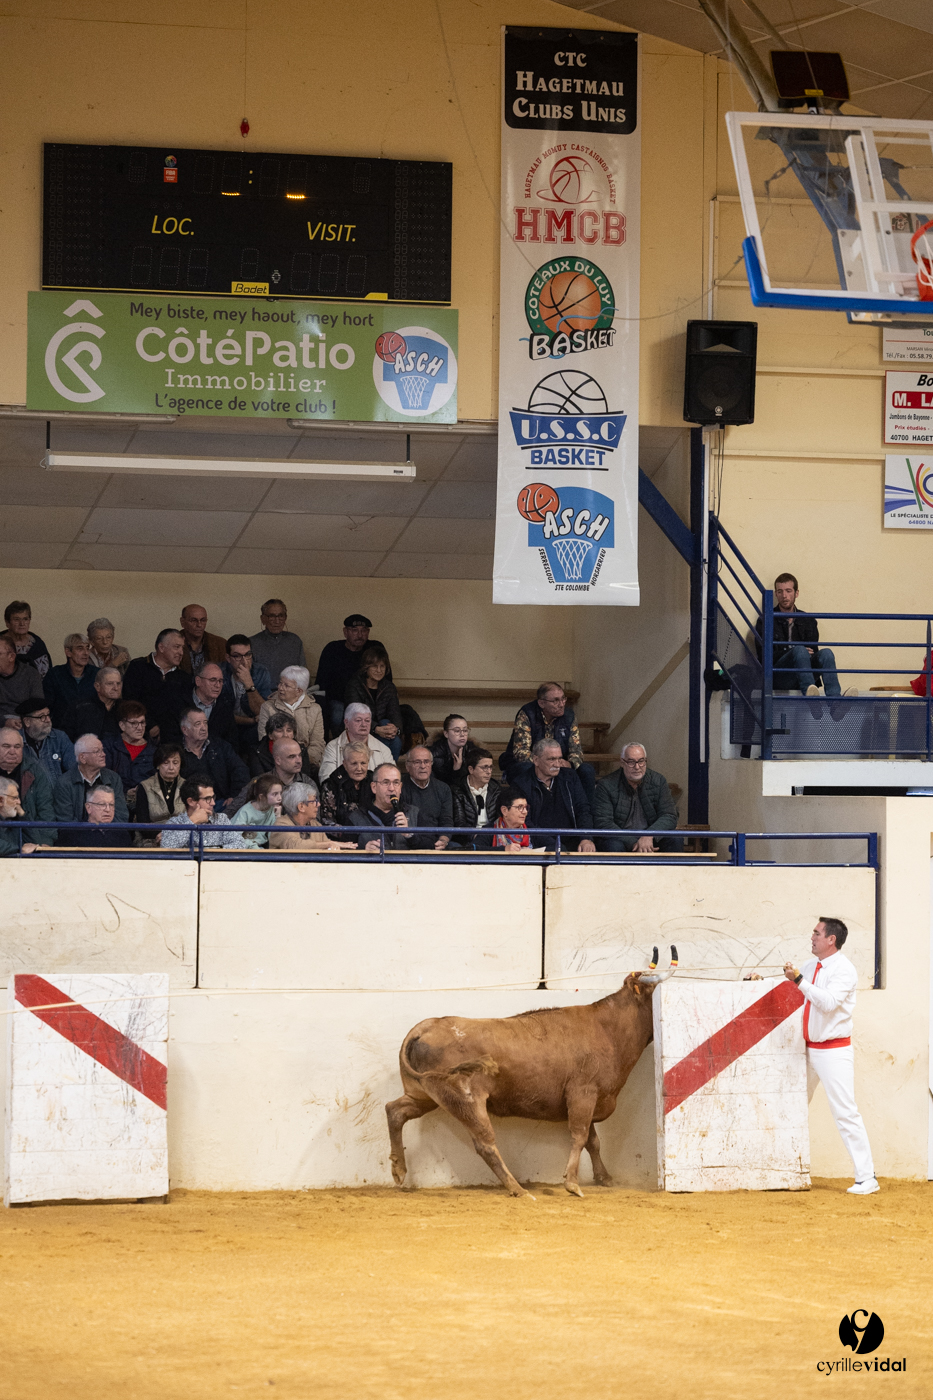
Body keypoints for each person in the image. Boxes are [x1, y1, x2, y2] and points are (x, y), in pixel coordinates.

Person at [782, 918, 879, 1196]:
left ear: (831, 939)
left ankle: (867, 1177)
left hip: (834, 1051)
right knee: (793, 1106)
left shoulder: (845, 970)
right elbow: (793, 989)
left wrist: (798, 979)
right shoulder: (811, 965)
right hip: (809, 1049)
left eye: (816, 933)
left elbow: (827, 1003)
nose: (811, 936)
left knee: (845, 1112)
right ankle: (787, 1169)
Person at [500, 681, 596, 805]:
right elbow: (521, 752)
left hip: (560, 764)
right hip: (534, 764)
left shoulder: (569, 715)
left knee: (586, 770)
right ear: (541, 703)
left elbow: (576, 749)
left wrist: (570, 763)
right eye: (555, 701)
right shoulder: (527, 713)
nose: (561, 704)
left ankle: (587, 816)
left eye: (563, 699)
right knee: (524, 768)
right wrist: (545, 763)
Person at [755, 572, 843, 699]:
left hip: (805, 674)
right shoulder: (765, 620)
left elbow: (814, 652)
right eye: (780, 591)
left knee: (827, 653)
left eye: (788, 591)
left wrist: (800, 653)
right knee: (800, 650)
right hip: (780, 676)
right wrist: (793, 652)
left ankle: (835, 700)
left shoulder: (808, 620)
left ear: (796, 593)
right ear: (776, 594)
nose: (784, 596)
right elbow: (763, 656)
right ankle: (810, 698)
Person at [592, 742, 679, 853]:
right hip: (621, 839)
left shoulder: (658, 781)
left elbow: (669, 815)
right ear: (622, 762)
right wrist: (634, 843)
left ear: (646, 761)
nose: (637, 767)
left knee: (675, 840)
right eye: (631, 762)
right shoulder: (606, 784)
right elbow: (603, 822)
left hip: (650, 838)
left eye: (641, 761)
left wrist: (649, 836)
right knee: (613, 846)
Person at [510, 740, 595, 852]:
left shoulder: (570, 777)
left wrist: (586, 838)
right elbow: (526, 822)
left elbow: (583, 809)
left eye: (559, 759)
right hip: (539, 843)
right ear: (536, 760)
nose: (557, 764)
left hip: (572, 840)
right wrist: (555, 845)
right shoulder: (521, 784)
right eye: (551, 759)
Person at [315, 613, 384, 737]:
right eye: (354, 630)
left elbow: (386, 679)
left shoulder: (374, 648)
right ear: (345, 632)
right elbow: (321, 683)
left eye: (364, 631)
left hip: (367, 699)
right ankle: (342, 746)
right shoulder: (332, 649)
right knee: (337, 716)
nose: (360, 635)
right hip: (339, 700)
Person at [123, 629, 190, 742]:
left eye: (182, 648)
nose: (181, 652)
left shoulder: (184, 677)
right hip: (140, 734)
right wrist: (149, 725)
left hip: (173, 739)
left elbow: (184, 710)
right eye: (176, 647)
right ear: (161, 647)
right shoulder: (138, 667)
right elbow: (129, 701)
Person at [178, 707, 248, 810]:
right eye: (198, 724)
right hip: (190, 806)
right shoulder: (177, 752)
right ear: (185, 730)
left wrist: (234, 796)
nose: (203, 728)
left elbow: (240, 770)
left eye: (205, 723)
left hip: (221, 803)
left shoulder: (220, 746)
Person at [257, 665, 324, 769]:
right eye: (280, 683)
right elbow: (264, 739)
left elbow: (317, 743)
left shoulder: (315, 709)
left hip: (307, 763)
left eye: (286, 685)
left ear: (299, 691)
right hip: (275, 764)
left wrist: (301, 761)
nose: (280, 687)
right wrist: (285, 762)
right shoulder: (267, 707)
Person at [53, 733, 128, 824]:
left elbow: (121, 815)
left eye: (102, 750)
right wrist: (90, 834)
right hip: (77, 836)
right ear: (82, 758)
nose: (103, 754)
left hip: (108, 834)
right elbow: (66, 820)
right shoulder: (64, 783)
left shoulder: (113, 778)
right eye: (97, 751)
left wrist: (102, 832)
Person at [344, 645, 403, 760]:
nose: (379, 670)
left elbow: (395, 713)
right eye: (375, 666)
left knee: (395, 740)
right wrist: (376, 728)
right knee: (383, 740)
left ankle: (390, 772)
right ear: (366, 667)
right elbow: (355, 715)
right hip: (363, 729)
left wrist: (395, 729)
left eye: (382, 666)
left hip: (383, 729)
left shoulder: (389, 687)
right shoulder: (354, 685)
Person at [160, 778, 252, 850]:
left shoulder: (221, 820)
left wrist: (212, 850)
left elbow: (240, 844)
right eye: (207, 799)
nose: (213, 803)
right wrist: (192, 822)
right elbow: (167, 847)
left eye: (213, 797)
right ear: (191, 801)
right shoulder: (174, 823)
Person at [0, 726, 55, 846]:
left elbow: (46, 811)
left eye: (17, 747)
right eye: (6, 746)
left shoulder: (35, 771)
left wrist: (44, 844)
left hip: (30, 840)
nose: (12, 751)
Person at [356, 763, 429, 851]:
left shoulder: (414, 813)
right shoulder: (356, 817)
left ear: (401, 787)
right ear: (374, 787)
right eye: (386, 783)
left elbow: (429, 846)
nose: (391, 788)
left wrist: (409, 835)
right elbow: (346, 850)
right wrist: (363, 850)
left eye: (396, 783)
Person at [269, 781, 359, 851]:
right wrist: (328, 844)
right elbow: (295, 846)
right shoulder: (280, 825)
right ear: (301, 807)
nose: (318, 804)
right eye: (314, 801)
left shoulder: (315, 825)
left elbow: (330, 846)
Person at [103, 701, 156, 813]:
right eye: (134, 723)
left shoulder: (154, 751)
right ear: (122, 725)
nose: (140, 728)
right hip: (113, 804)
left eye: (142, 723)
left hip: (146, 806)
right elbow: (103, 777)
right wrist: (124, 793)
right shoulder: (109, 746)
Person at [222, 634, 273, 746]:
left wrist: (249, 684)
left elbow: (263, 712)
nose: (244, 662)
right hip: (228, 726)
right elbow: (221, 715)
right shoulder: (219, 673)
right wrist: (251, 720)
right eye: (237, 656)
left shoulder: (261, 672)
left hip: (253, 728)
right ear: (228, 658)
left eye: (248, 655)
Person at [319, 702, 392, 780]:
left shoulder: (383, 750)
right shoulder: (332, 747)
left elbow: (392, 780)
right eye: (358, 720)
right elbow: (327, 780)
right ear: (346, 723)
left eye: (367, 721)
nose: (364, 724)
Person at [43, 633, 99, 733]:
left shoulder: (97, 674)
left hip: (91, 730)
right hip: (62, 731)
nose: (86, 653)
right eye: (80, 648)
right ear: (68, 652)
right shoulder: (55, 675)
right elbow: (47, 706)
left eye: (87, 648)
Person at [401, 745, 453, 849]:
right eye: (417, 762)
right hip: (408, 842)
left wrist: (443, 840)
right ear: (407, 766)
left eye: (426, 762)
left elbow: (446, 821)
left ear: (431, 764)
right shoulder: (399, 787)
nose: (423, 766)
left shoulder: (443, 788)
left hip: (435, 843)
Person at [249, 598, 307, 687]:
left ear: (285, 618)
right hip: (262, 694)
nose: (277, 621)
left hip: (291, 695)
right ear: (263, 619)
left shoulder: (294, 641)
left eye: (280, 616)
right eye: (272, 616)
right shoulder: (252, 643)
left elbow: (303, 674)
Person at [452, 747, 503, 846]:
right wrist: (478, 837)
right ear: (471, 769)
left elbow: (500, 818)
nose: (489, 772)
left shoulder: (496, 789)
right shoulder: (457, 790)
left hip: (492, 838)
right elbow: (459, 823)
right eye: (484, 767)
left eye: (491, 767)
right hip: (467, 840)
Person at [17, 697, 76, 780]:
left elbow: (75, 769)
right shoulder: (15, 741)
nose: (48, 720)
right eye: (42, 717)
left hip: (57, 792)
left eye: (48, 715)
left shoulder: (59, 737)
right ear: (27, 722)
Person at [320, 740, 373, 827]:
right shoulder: (331, 785)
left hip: (373, 835)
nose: (359, 768)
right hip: (343, 837)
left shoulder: (374, 780)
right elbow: (327, 821)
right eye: (354, 763)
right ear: (344, 764)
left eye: (363, 763)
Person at [134, 743, 186, 830]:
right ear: (158, 765)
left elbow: (193, 819)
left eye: (175, 762)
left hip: (181, 837)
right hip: (152, 837)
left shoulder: (187, 786)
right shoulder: (145, 786)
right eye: (166, 763)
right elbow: (143, 824)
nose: (171, 767)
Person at [246, 712, 313, 779]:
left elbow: (305, 778)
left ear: (293, 735)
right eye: (279, 731)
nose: (285, 735)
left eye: (289, 730)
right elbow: (260, 780)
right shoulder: (257, 752)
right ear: (270, 735)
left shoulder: (302, 750)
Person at [187, 663, 238, 746]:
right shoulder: (180, 702)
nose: (217, 685)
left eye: (220, 681)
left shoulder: (225, 706)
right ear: (198, 681)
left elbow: (232, 742)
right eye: (212, 680)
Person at [0, 635, 47, 723]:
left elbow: (37, 705)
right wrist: (4, 721)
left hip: (25, 723)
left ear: (12, 657)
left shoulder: (30, 674)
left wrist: (22, 721)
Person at [66, 786, 132, 849]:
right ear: (88, 808)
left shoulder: (122, 834)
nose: (108, 809)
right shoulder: (72, 834)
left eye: (111, 805)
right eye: (102, 804)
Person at [71, 666, 124, 740]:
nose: (116, 688)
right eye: (110, 684)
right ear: (97, 686)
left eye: (118, 684)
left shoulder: (127, 708)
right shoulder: (80, 708)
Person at [2, 601, 51, 678]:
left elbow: (46, 678)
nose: (22, 623)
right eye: (16, 619)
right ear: (7, 623)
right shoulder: (1, 643)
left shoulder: (37, 646)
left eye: (25, 619)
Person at [231, 772, 284, 846]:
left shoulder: (272, 809)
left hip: (261, 847)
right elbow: (234, 836)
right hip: (245, 849)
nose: (280, 798)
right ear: (261, 797)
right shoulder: (246, 811)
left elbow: (274, 836)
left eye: (280, 793)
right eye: (275, 794)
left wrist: (278, 817)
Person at [178, 604, 227, 675]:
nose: (199, 625)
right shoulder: (173, 643)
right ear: (182, 622)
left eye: (203, 620)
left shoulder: (220, 644)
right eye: (193, 620)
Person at [429, 714, 473, 787]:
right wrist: (456, 771)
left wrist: (457, 770)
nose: (462, 734)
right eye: (457, 731)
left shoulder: (472, 751)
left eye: (465, 730)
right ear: (446, 734)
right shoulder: (434, 754)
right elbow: (439, 786)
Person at [0, 776, 38, 855]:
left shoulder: (14, 820)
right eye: (15, 798)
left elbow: (34, 842)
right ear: (0, 800)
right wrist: (19, 850)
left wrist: (23, 815)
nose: (19, 802)